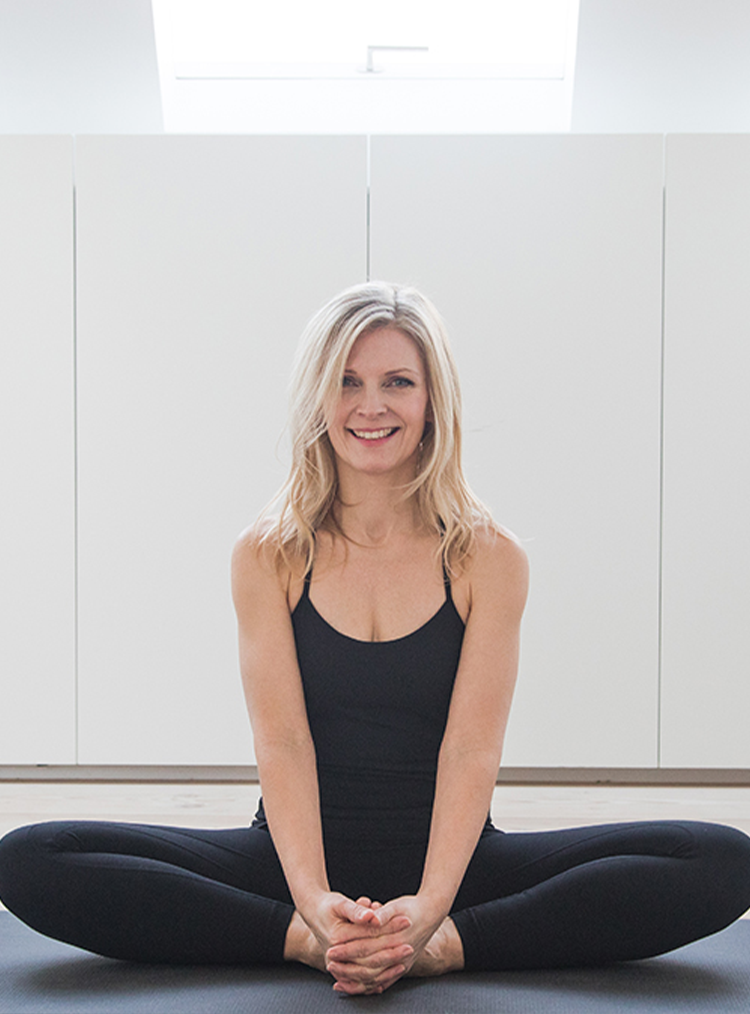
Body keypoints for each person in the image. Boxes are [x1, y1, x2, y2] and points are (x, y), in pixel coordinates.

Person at [1, 281, 750, 996]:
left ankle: (453, 948)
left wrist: (430, 914)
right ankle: (296, 940)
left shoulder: (489, 558)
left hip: (452, 871)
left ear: (432, 401)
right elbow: (283, 743)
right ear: (318, 398)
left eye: (397, 382)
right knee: (31, 859)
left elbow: (471, 749)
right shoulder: (268, 554)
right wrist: (312, 908)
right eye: (348, 382)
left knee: (720, 860)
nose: (371, 406)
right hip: (291, 864)